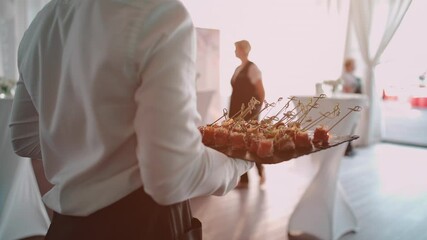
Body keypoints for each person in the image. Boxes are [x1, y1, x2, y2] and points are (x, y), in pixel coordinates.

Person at [9, 1, 253, 239]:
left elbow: (24, 138)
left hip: (67, 227)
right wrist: (240, 162)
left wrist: (88, 152)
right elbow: (172, 175)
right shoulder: (160, 13)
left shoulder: (43, 21)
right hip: (144, 224)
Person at [228, 40, 266, 188]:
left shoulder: (253, 68)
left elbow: (261, 92)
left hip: (249, 113)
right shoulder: (238, 68)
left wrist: (255, 113)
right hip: (236, 111)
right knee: (238, 142)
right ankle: (244, 179)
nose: (234, 51)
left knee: (251, 142)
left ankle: (261, 171)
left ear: (243, 50)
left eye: (236, 48)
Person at [341, 58, 362, 156]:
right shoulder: (345, 77)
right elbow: (347, 90)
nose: (354, 66)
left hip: (354, 102)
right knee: (348, 126)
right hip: (348, 103)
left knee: (352, 125)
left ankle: (349, 147)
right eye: (352, 64)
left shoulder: (352, 76)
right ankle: (346, 148)